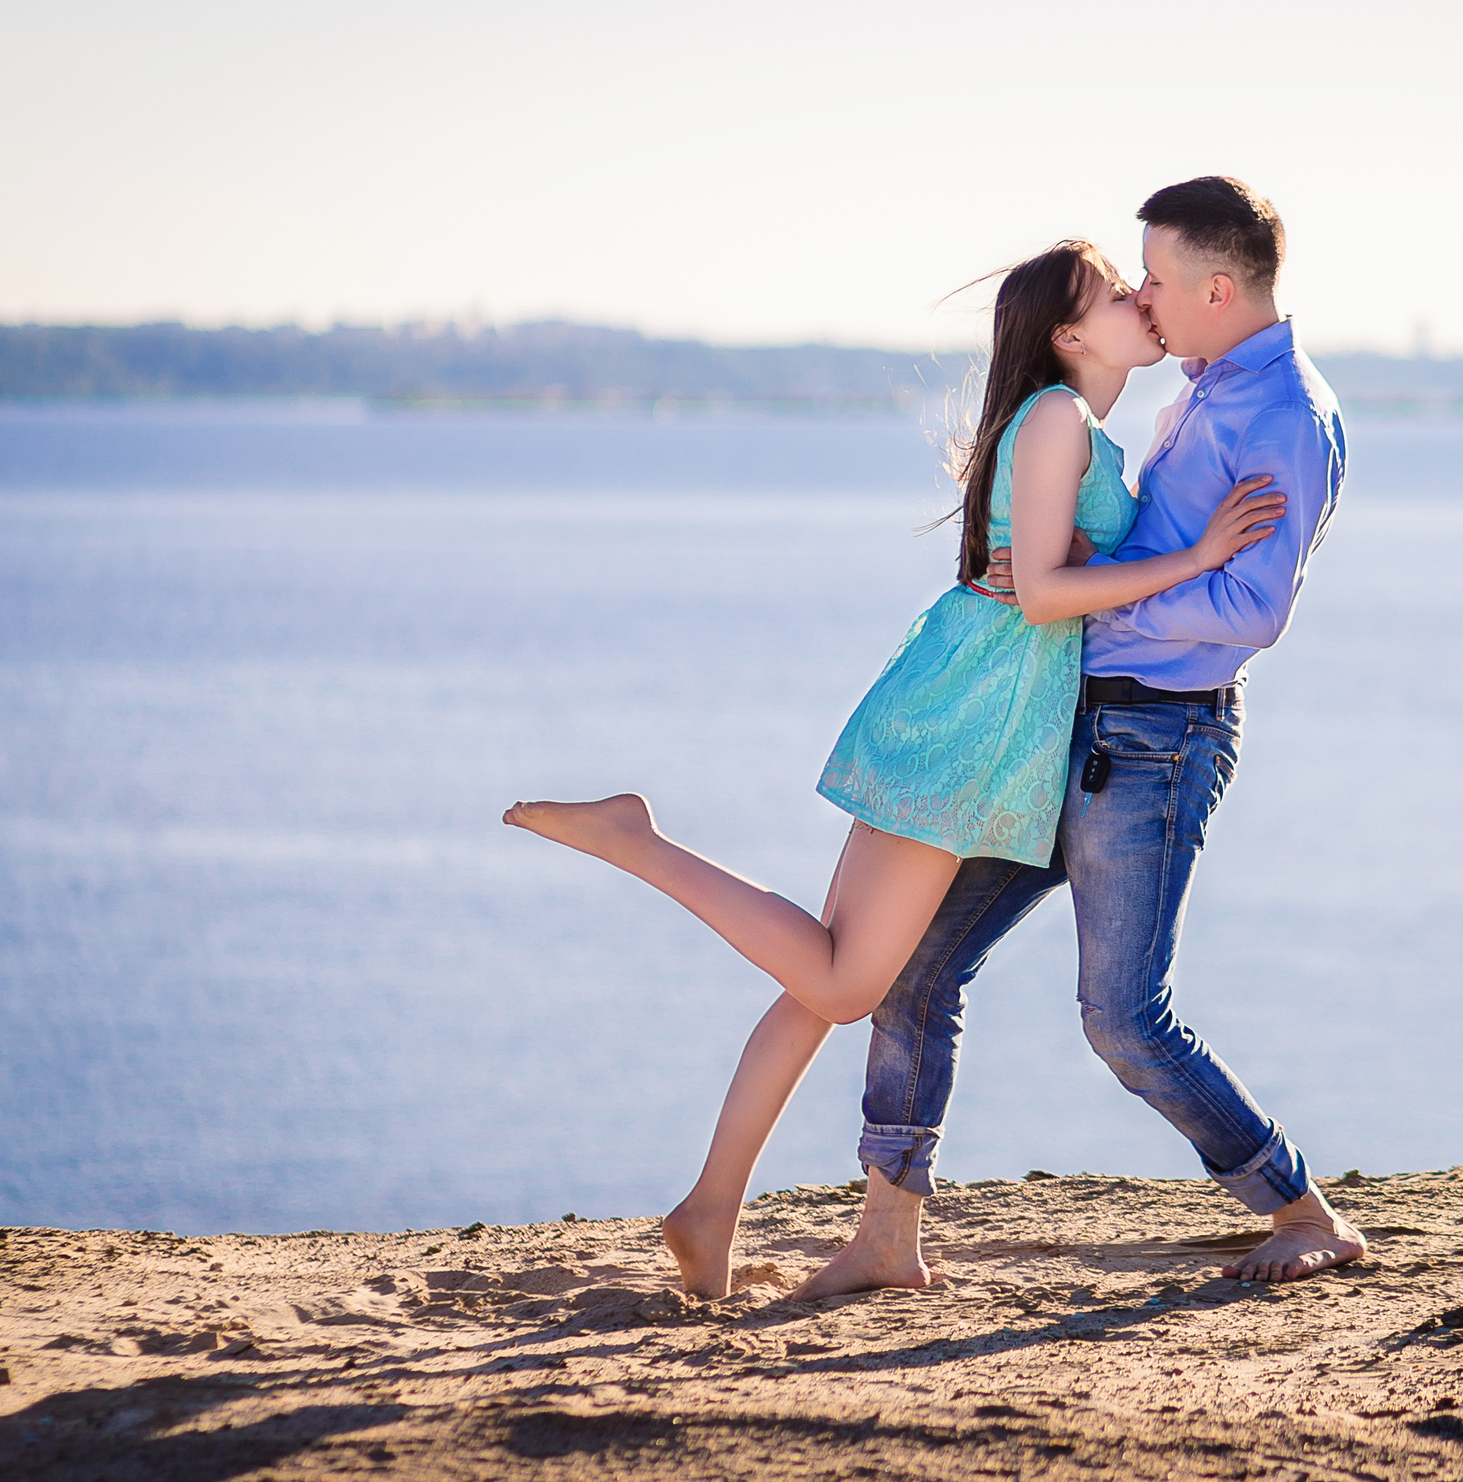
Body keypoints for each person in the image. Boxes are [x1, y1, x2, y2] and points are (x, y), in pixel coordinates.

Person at [502, 238, 1286, 1299]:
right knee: (843, 982)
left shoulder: (1075, 426)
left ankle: (710, 1207)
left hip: (973, 709)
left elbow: (1047, 571)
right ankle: (635, 841)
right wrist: (1193, 558)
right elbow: (1043, 594)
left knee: (821, 981)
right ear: (1067, 333)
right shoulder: (1059, 416)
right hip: (970, 723)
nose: (1137, 300)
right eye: (1114, 292)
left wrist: (1086, 563)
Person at [794, 177, 1362, 1299]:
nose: (1143, 296)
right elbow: (1137, 549)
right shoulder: (1197, 390)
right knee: (915, 969)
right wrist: (1077, 578)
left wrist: (1078, 597)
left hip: (1154, 741)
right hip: (1068, 720)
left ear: (1215, 288)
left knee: (1124, 1021)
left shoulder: (1283, 417)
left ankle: (1302, 1210)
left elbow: (1253, 608)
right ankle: (887, 1237)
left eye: (1154, 278)